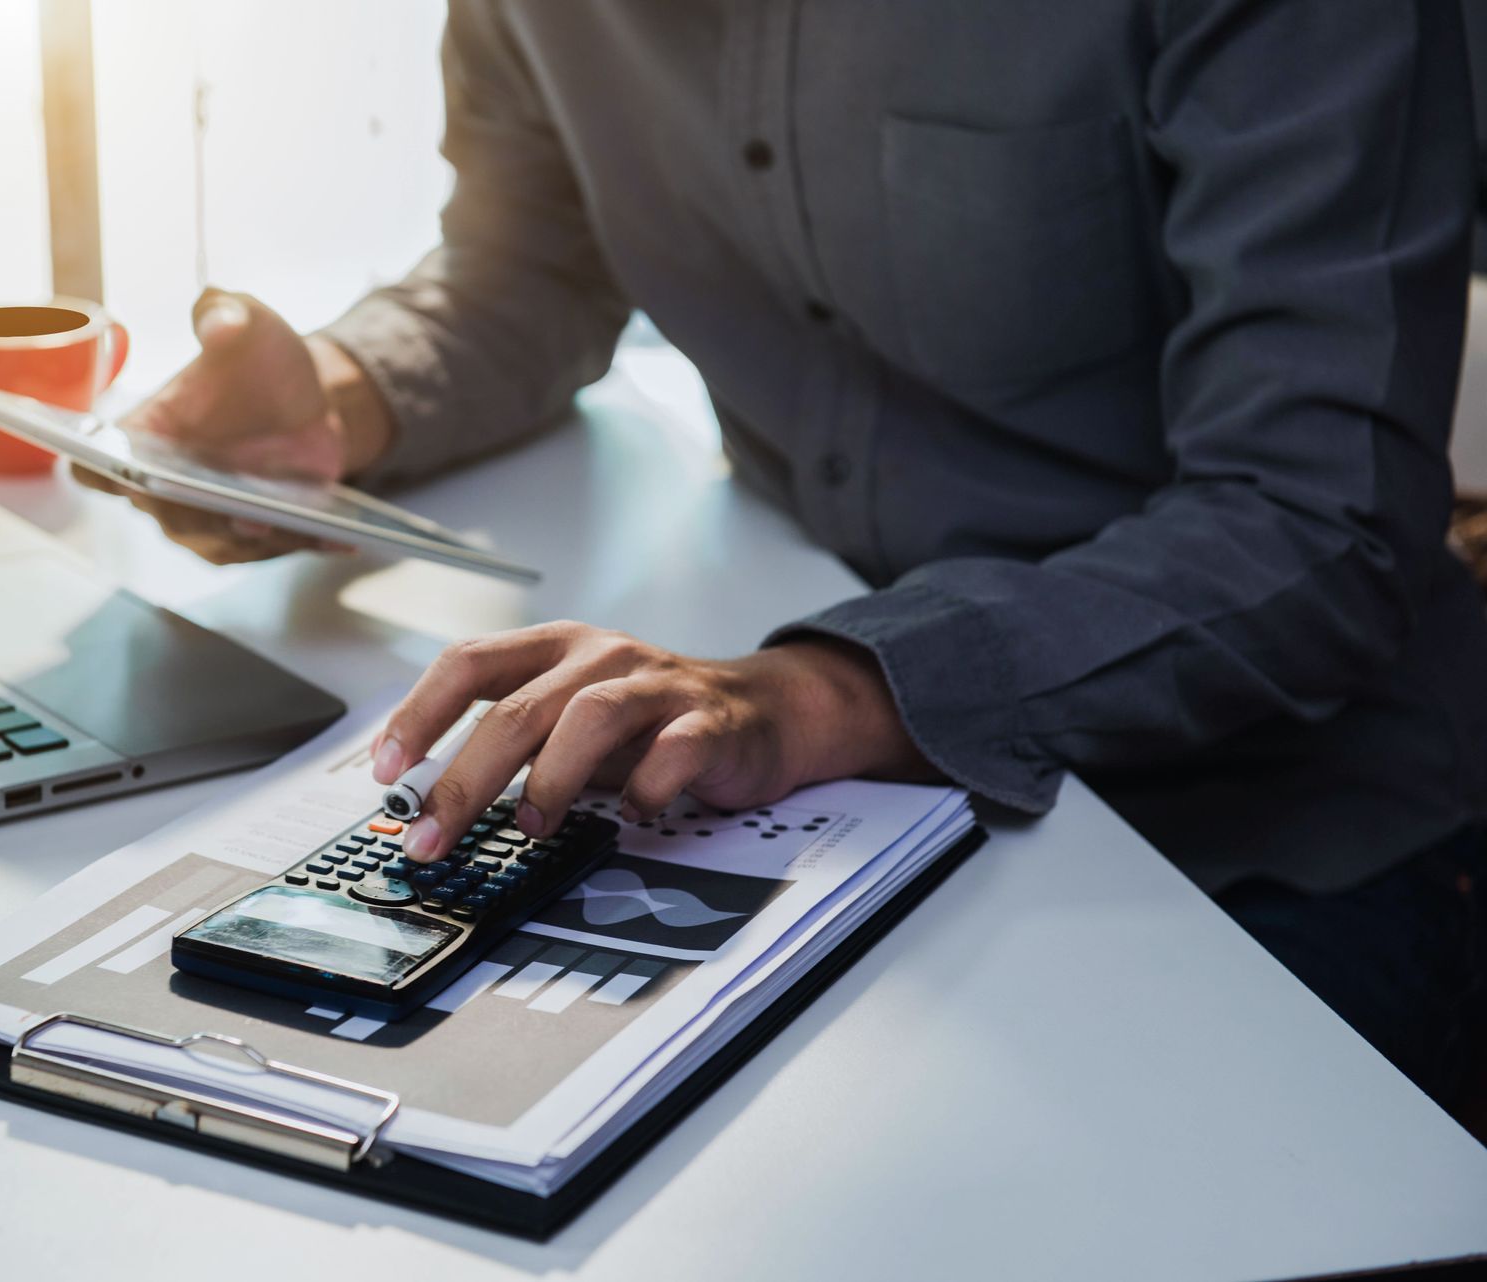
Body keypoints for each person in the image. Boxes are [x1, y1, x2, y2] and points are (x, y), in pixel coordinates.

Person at [83, 1, 1487, 1113]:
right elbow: (529, 265)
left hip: (1277, 836)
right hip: (822, 793)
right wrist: (332, 403)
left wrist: (817, 695)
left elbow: (1317, 520)